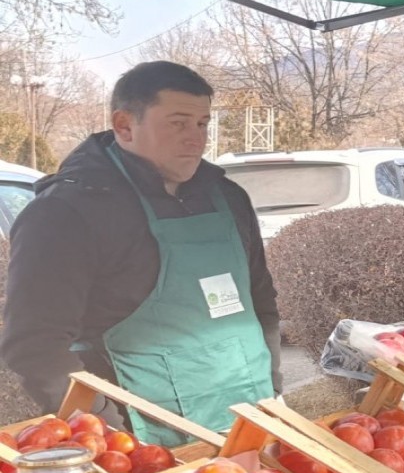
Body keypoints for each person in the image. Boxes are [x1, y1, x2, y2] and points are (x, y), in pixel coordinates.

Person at [1, 61, 279, 446]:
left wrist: (273, 388)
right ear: (124, 125)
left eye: (202, 124)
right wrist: (109, 434)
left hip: (253, 423)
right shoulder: (66, 212)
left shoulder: (229, 198)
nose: (196, 139)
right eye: (178, 123)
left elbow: (261, 303)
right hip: (146, 445)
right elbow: (35, 346)